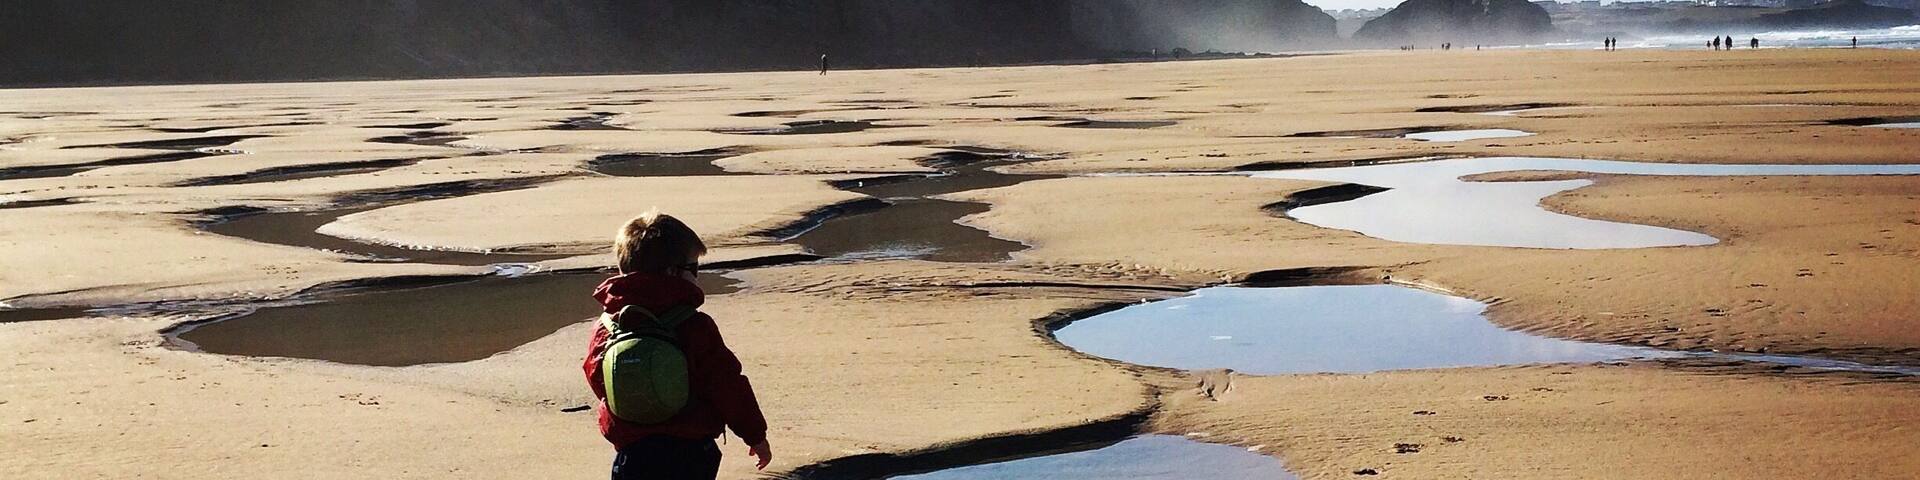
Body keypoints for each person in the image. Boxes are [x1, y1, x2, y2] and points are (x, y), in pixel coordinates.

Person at [586, 210, 772, 480]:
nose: (697, 277)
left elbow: (597, 377)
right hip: (690, 448)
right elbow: (727, 385)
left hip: (632, 449)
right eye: (694, 268)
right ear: (673, 272)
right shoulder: (694, 325)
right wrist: (755, 435)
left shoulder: (606, 327)